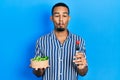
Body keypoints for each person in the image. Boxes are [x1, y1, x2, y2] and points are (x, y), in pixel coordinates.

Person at [30, 2, 88, 80]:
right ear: (51, 18)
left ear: (69, 18)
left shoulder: (79, 41)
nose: (61, 19)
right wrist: (39, 69)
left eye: (64, 15)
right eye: (57, 15)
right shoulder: (41, 41)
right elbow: (37, 74)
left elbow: (83, 73)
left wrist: (82, 67)